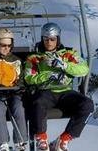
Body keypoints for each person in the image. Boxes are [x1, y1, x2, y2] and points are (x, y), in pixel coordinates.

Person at [24, 23, 93, 151]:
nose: (49, 43)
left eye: (52, 39)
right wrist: (49, 75)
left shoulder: (68, 54)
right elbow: (29, 78)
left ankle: (64, 139)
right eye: (46, 39)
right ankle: (41, 139)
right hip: (46, 92)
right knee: (37, 103)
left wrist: (64, 66)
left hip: (65, 92)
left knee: (87, 104)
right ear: (42, 39)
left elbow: (84, 69)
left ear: (58, 39)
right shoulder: (35, 58)